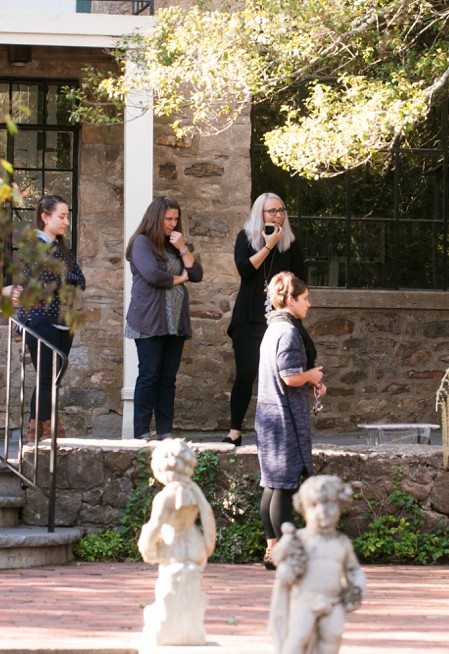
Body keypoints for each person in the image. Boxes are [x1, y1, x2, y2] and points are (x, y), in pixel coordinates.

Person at [225, 192, 306, 446]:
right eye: (272, 211)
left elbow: (301, 282)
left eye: (281, 210)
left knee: (282, 376)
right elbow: (245, 270)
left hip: (280, 321)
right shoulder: (245, 238)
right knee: (246, 373)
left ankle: (279, 433)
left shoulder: (291, 243)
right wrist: (269, 244)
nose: (278, 215)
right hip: (249, 318)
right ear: (260, 213)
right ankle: (234, 432)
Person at [255, 271, 324, 570]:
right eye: (305, 299)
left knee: (271, 485)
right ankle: (283, 553)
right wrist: (311, 376)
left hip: (268, 415)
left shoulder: (273, 328)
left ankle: (272, 550)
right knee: (282, 486)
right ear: (290, 299)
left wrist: (308, 380)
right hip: (283, 419)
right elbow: (289, 376)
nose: (309, 305)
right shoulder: (288, 332)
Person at [125, 197, 203, 440]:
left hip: (175, 322)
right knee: (149, 375)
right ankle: (141, 432)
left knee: (168, 377)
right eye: (168, 219)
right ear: (156, 218)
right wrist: (180, 279)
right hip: (150, 319)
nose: (172, 223)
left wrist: (182, 248)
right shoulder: (142, 243)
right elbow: (153, 275)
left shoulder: (174, 245)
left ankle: (165, 431)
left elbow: (197, 274)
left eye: (176, 219)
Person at [269, 475, 365, 654]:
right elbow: (277, 556)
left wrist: (357, 588)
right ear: (303, 508)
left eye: (330, 504)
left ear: (341, 506)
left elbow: (353, 569)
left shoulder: (342, 542)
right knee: (298, 636)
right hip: (304, 600)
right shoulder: (299, 539)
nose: (323, 511)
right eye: (314, 505)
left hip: (333, 600)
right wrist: (285, 548)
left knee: (333, 636)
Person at [18, 194, 86, 442]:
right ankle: (38, 431)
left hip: (63, 321)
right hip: (39, 320)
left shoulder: (61, 249)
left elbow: (80, 280)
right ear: (45, 217)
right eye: (62, 216)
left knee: (55, 379)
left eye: (67, 216)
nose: (66, 221)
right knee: (45, 377)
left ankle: (47, 425)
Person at [137, 438, 216, 646]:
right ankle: (189, 628)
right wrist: (208, 545)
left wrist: (146, 546)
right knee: (190, 589)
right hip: (193, 544)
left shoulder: (164, 497)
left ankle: (173, 629)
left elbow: (155, 525)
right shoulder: (194, 490)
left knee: (168, 589)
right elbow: (207, 516)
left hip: (174, 547)